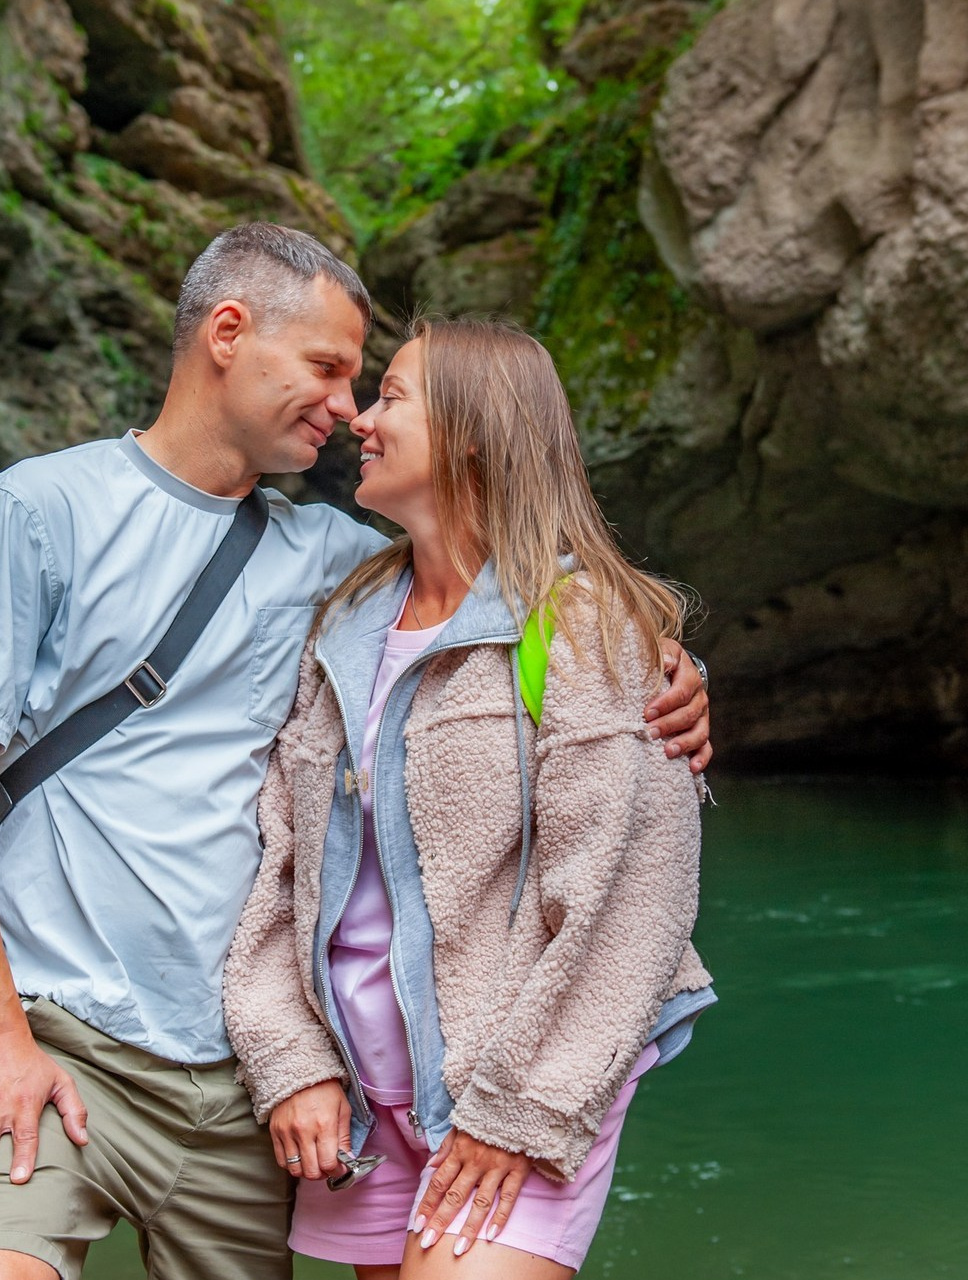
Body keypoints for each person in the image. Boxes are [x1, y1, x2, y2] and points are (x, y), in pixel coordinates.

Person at [0, 225, 713, 1280]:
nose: (347, 409)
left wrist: (668, 674)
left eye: (370, 387)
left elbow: (500, 598)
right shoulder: (43, 511)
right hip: (71, 1039)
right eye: (327, 368)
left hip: (251, 1079)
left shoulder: (341, 563)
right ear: (227, 332)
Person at [223, 317, 716, 1280]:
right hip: (364, 1095)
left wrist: (519, 1109)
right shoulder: (345, 625)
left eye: (392, 397)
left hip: (514, 1080)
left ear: (476, 432)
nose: (361, 419)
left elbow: (631, 900)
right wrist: (294, 1061)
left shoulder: (584, 628)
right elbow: (283, 869)